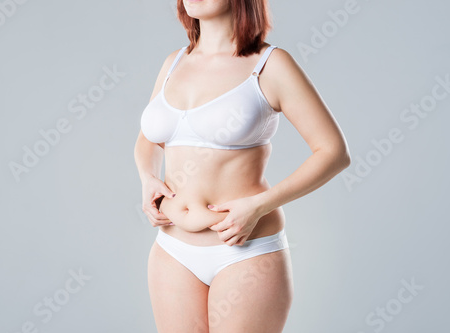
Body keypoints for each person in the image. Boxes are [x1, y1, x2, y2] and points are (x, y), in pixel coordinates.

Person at [134, 0, 351, 331]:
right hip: (171, 250)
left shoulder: (270, 65)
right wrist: (147, 178)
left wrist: (259, 205)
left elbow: (333, 151)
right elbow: (149, 137)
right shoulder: (174, 63)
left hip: (244, 253)